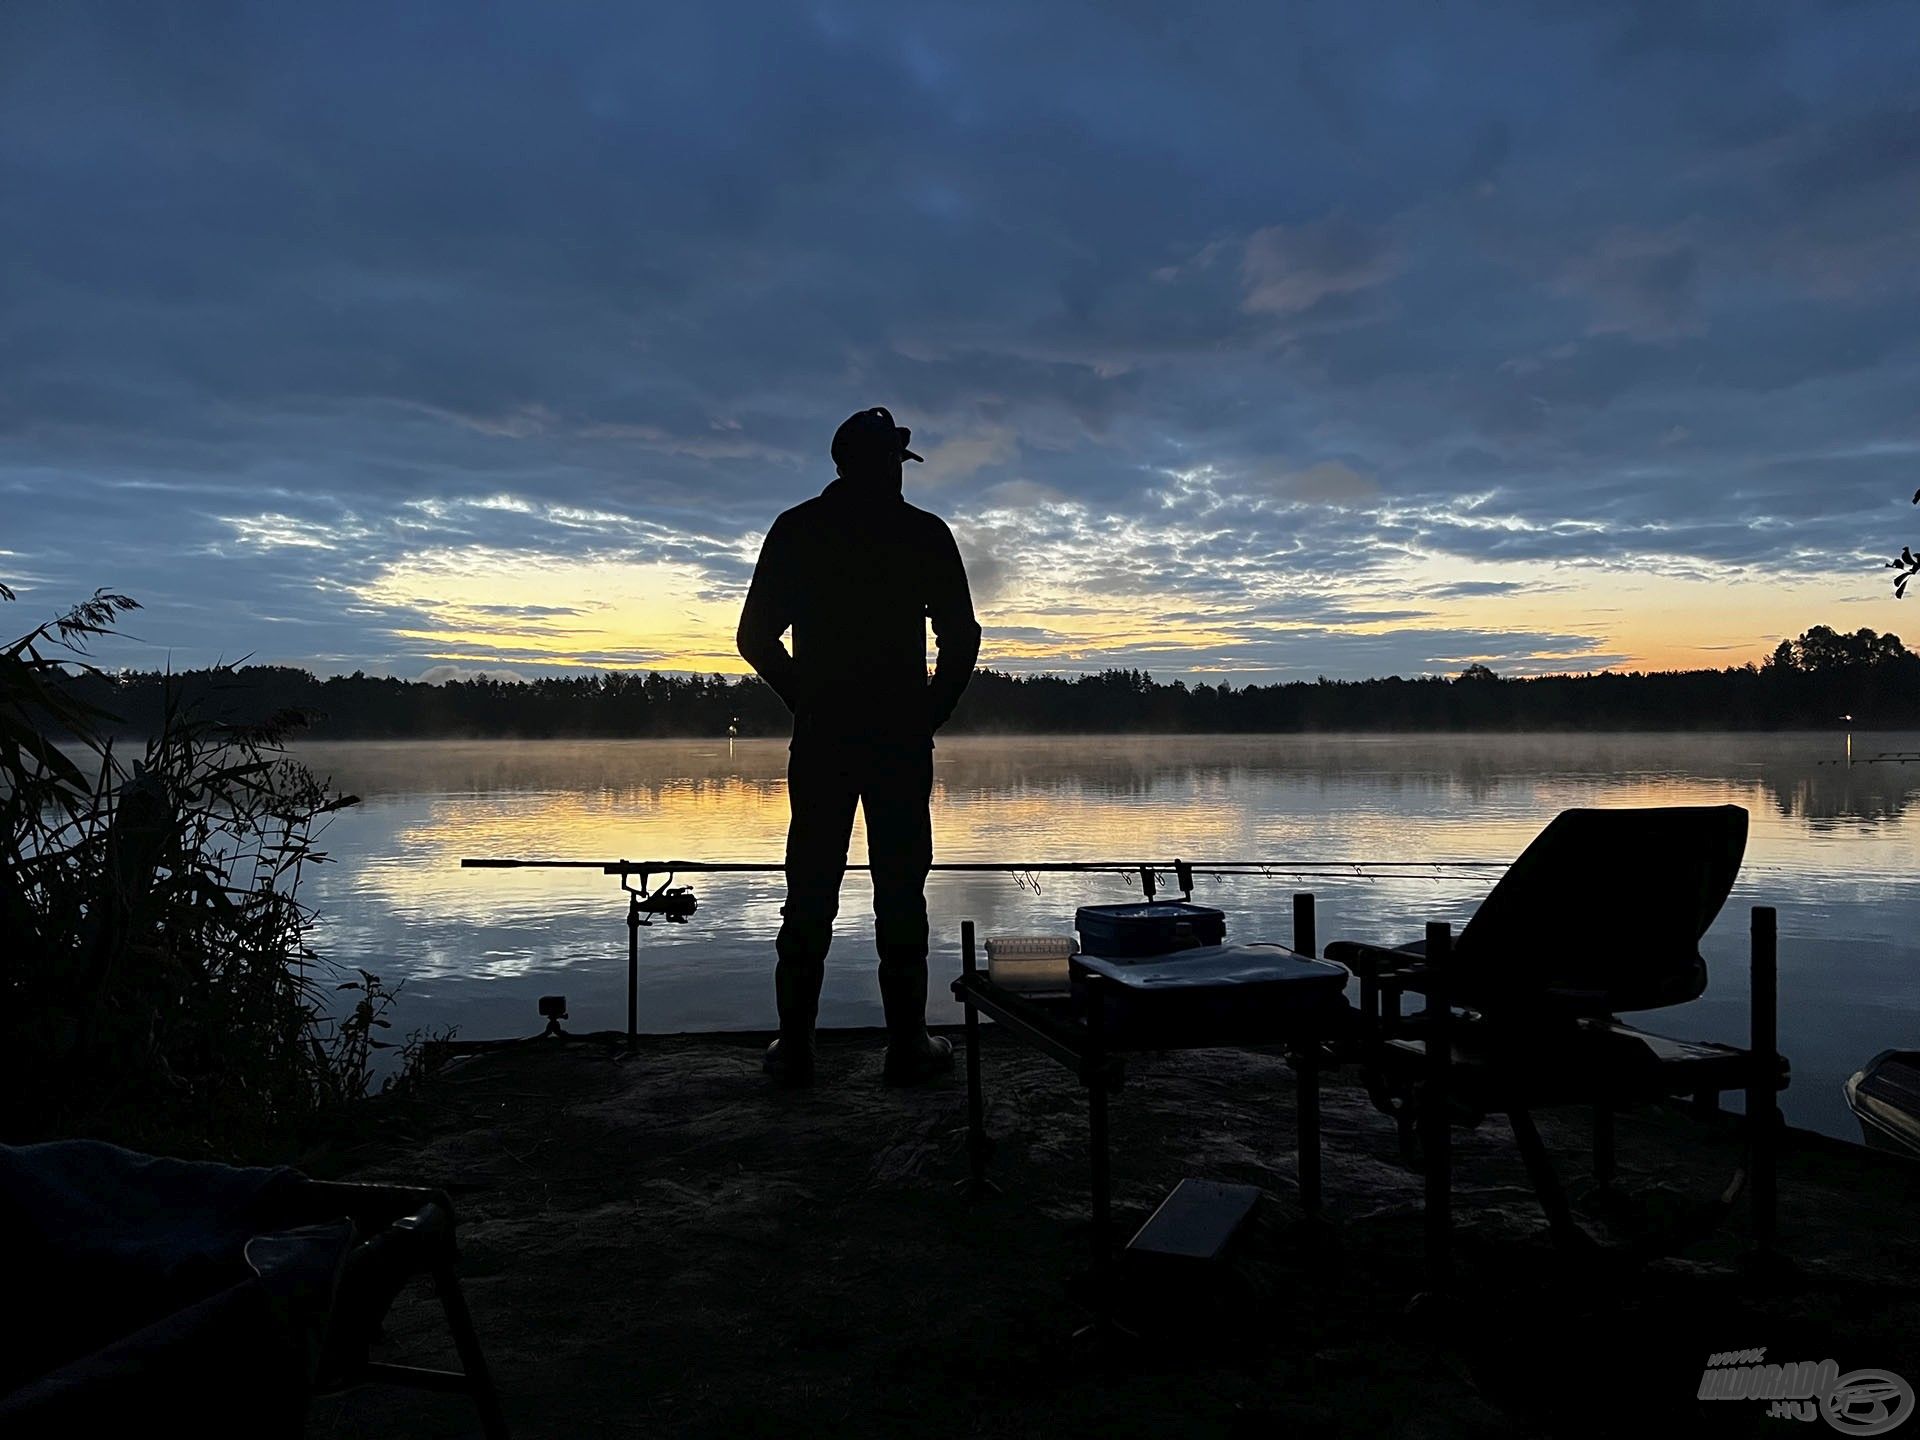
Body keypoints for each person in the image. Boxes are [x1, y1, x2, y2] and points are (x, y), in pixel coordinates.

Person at [736, 407, 981, 1086]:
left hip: (824, 738)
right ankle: (906, 1048)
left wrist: (804, 698)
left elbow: (754, 638)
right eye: (896, 465)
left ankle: (797, 1050)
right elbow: (961, 638)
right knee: (901, 889)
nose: (901, 478)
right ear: (885, 466)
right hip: (899, 738)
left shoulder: (797, 529)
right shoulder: (922, 533)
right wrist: (930, 711)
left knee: (809, 889)